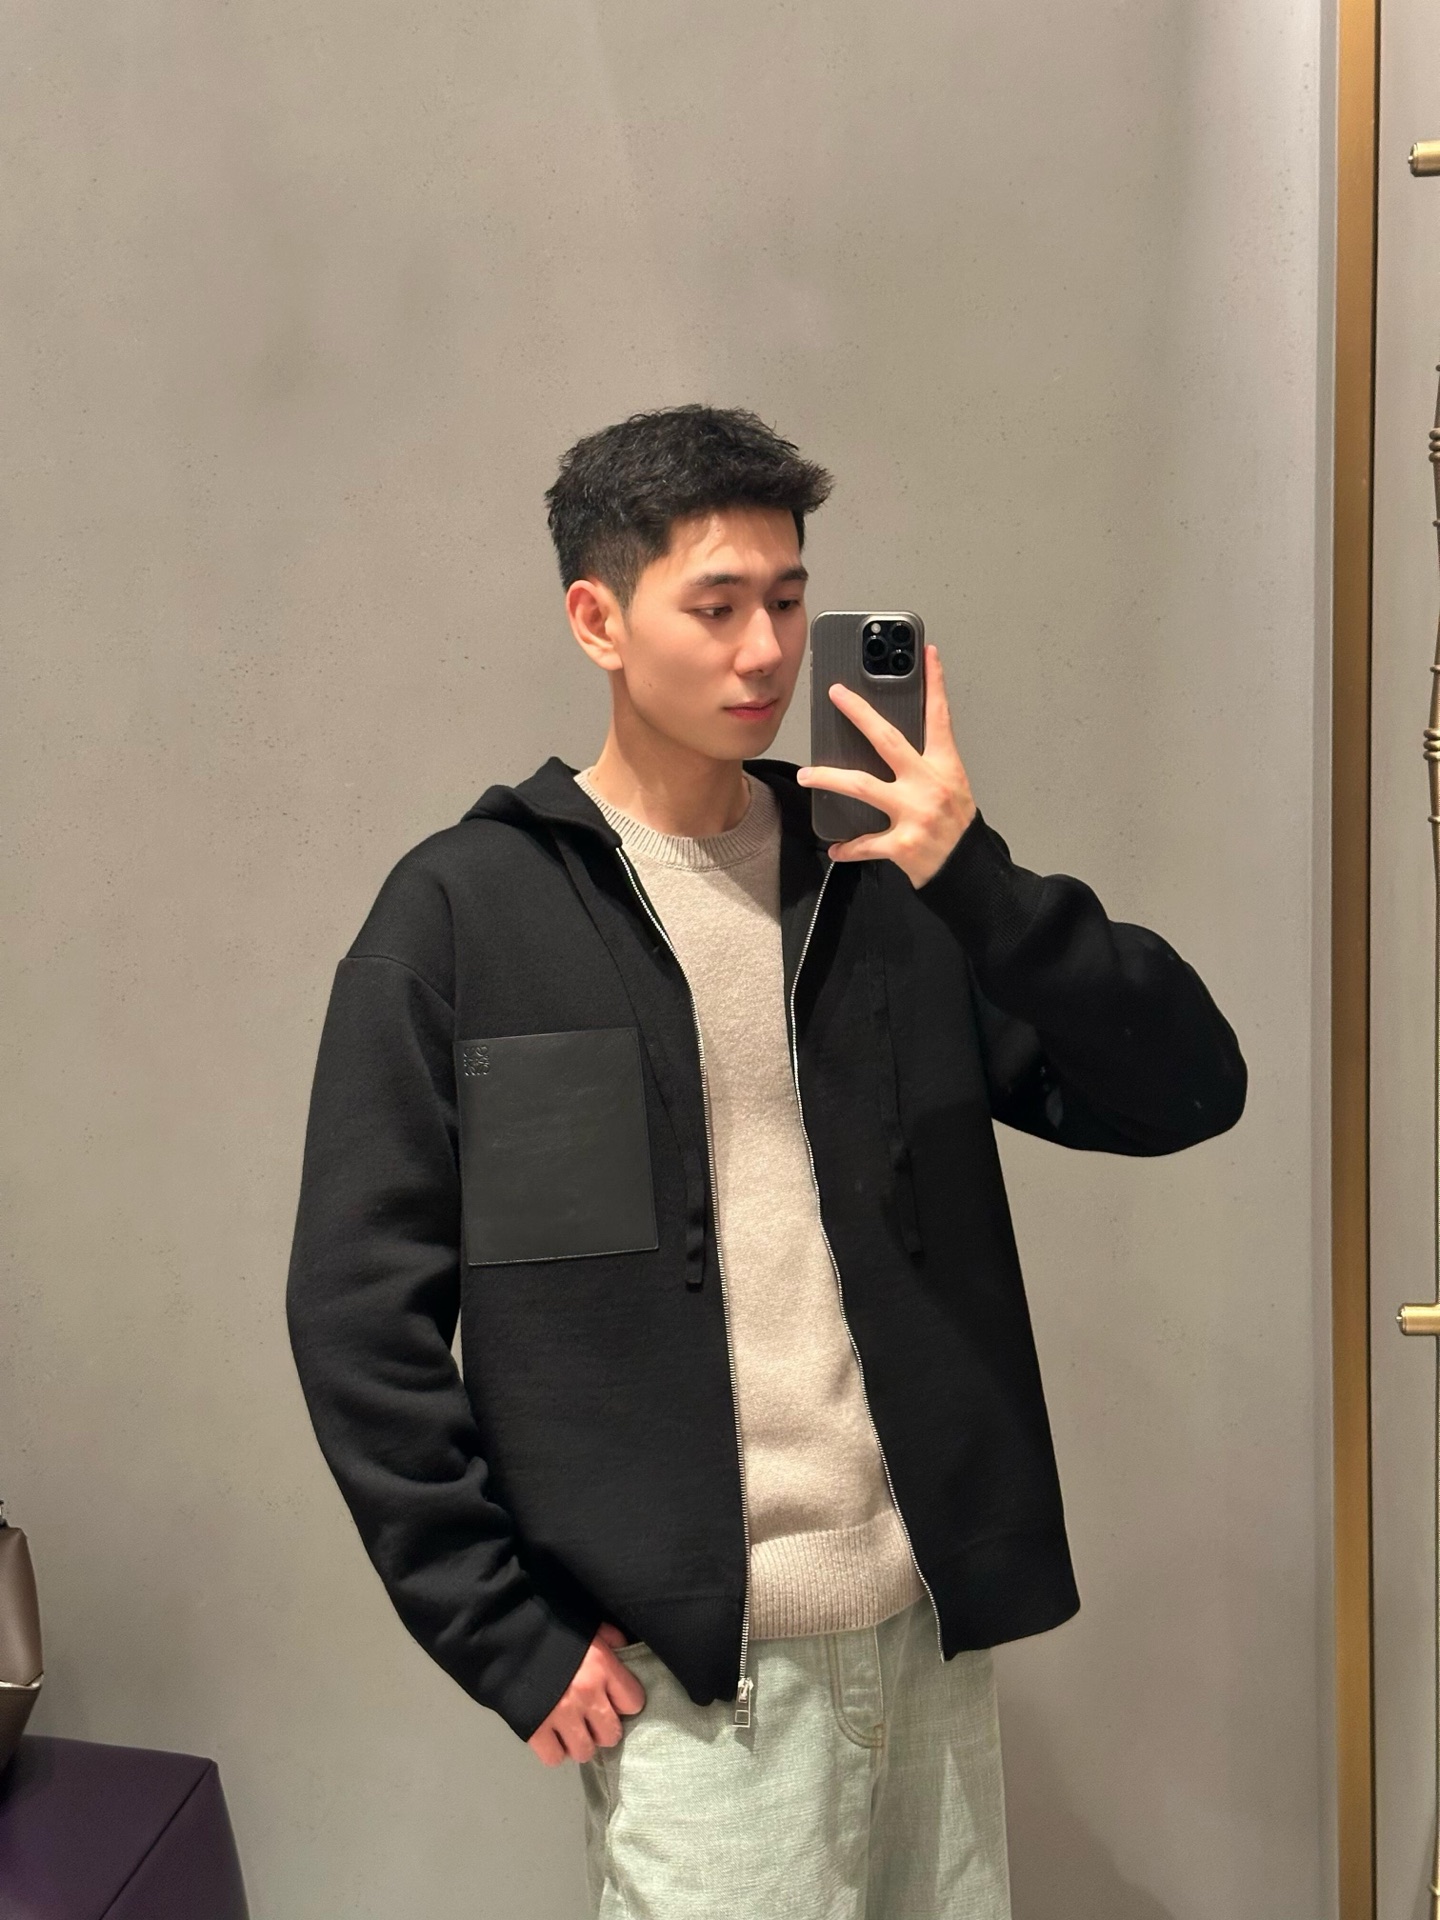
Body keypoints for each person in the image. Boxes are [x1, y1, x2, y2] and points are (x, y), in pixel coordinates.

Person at [285, 403, 1247, 1919]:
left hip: (927, 1637)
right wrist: (502, 1632)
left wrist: (974, 878)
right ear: (598, 621)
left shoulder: (882, 879)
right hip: (693, 1686)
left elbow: (1186, 1088)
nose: (766, 652)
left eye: (790, 602)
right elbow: (356, 1312)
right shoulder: (467, 915)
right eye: (717, 606)